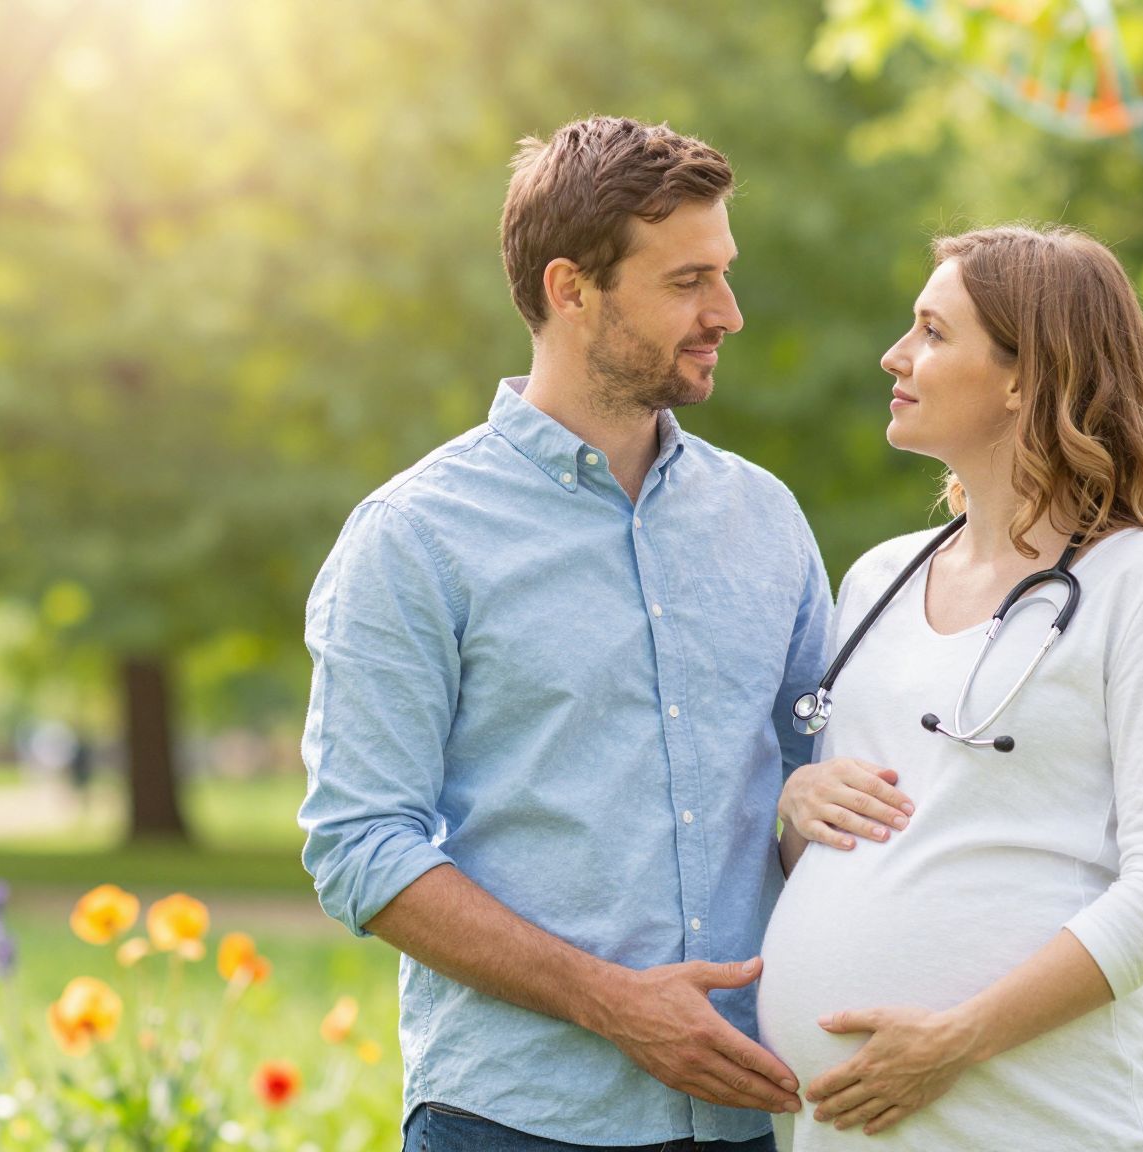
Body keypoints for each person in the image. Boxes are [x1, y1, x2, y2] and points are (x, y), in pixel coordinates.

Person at [297, 115, 831, 1151]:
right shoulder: (415, 537)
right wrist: (614, 1004)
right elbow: (360, 846)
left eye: (723, 274)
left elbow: (823, 786)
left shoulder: (764, 518)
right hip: (513, 1119)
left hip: (748, 1112)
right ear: (570, 288)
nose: (726, 312)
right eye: (687, 282)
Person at [757, 224, 1143, 1149]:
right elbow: (855, 852)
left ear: (1027, 377)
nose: (895, 354)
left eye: (933, 332)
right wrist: (800, 804)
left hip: (1048, 1119)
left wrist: (957, 1040)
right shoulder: (878, 578)